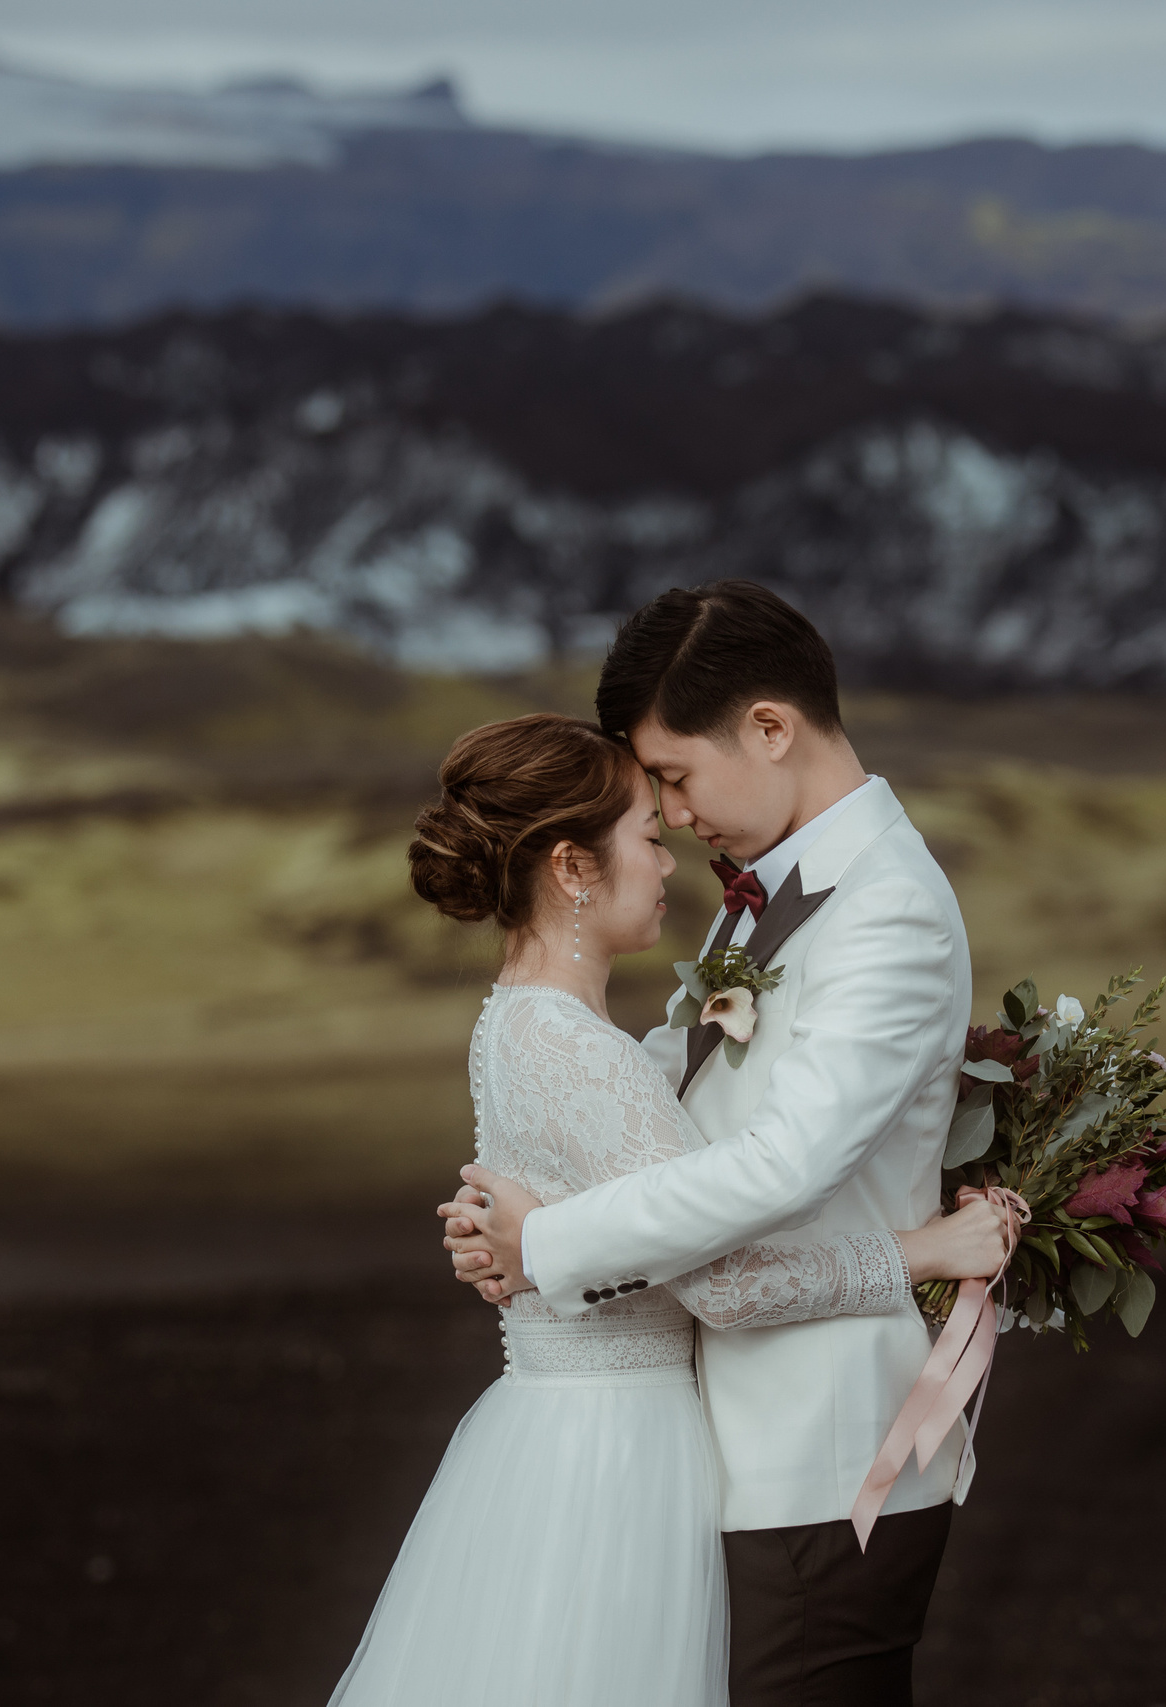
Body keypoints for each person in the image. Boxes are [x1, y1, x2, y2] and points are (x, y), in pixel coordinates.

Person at [329, 709, 1005, 1707]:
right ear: (572, 868)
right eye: (647, 834)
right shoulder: (572, 1048)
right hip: (615, 1465)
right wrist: (928, 1246)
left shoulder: (533, 1026)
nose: (668, 858)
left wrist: (536, 1245)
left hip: (583, 1441)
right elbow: (727, 1287)